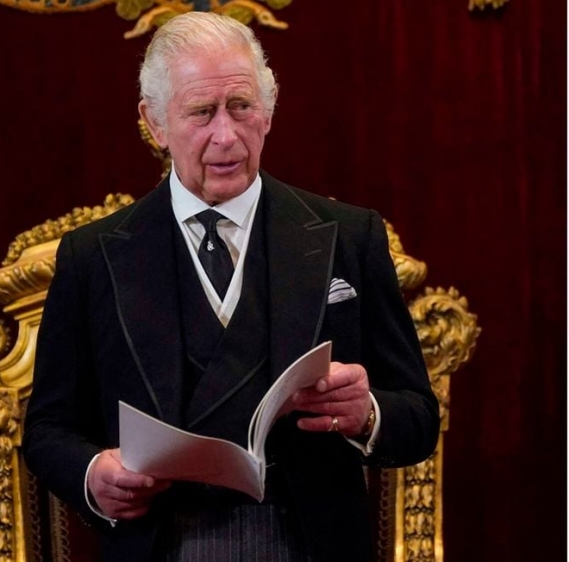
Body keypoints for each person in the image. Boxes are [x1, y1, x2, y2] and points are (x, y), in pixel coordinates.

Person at [23, 12, 439, 562]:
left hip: (309, 542)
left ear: (268, 112)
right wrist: (92, 472)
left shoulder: (349, 236)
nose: (227, 135)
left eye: (242, 107)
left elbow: (418, 418)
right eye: (202, 112)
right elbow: (48, 429)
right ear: (154, 123)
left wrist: (368, 412)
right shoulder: (92, 257)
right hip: (160, 543)